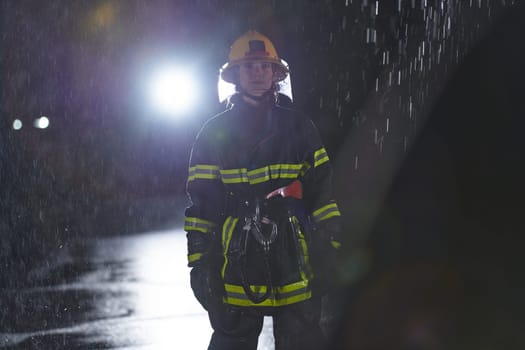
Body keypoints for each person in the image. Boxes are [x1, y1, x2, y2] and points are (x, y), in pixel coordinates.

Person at [184, 30, 343, 350]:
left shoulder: (300, 128)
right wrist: (200, 260)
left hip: (293, 252)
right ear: (234, 76)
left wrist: (330, 242)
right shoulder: (214, 133)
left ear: (275, 74)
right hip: (235, 254)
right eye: (248, 66)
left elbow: (322, 192)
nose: (257, 73)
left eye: (264, 67)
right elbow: (202, 203)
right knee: (232, 337)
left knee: (302, 336)